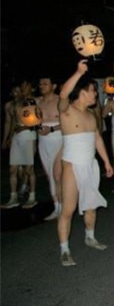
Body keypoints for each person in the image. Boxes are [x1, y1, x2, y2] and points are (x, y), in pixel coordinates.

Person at [57, 60, 114, 266]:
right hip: (71, 165)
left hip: (90, 165)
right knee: (68, 209)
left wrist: (106, 162)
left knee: (91, 205)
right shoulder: (67, 111)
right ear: (82, 92)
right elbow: (63, 94)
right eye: (93, 91)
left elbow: (97, 138)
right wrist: (79, 72)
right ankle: (64, 249)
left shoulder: (91, 115)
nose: (95, 95)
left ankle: (90, 238)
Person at [1, 81, 38, 209]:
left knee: (29, 169)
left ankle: (32, 197)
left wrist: (25, 127)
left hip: (28, 136)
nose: (20, 91)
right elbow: (9, 122)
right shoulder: (12, 105)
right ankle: (13, 197)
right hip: (16, 137)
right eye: (18, 89)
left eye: (22, 89)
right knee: (13, 169)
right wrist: (6, 139)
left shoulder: (31, 101)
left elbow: (37, 121)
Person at [37, 76, 63, 220]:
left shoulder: (60, 101)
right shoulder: (37, 102)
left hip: (58, 138)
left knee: (57, 175)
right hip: (43, 140)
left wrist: (52, 129)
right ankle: (56, 206)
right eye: (40, 83)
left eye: (45, 83)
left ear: (53, 86)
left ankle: (63, 207)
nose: (42, 86)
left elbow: (67, 122)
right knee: (49, 175)